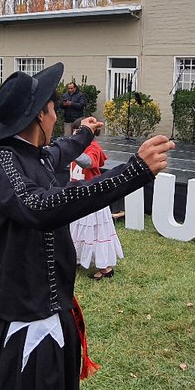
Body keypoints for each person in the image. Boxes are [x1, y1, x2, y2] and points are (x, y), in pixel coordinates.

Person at [0, 61, 174, 390]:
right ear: (38, 115)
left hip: (48, 313)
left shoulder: (33, 154)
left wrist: (84, 133)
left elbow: (58, 153)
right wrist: (133, 172)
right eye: (52, 107)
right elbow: (40, 206)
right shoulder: (1, 165)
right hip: (22, 324)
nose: (56, 114)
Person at [67, 119, 123, 280]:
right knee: (78, 230)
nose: (75, 134)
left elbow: (88, 162)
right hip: (78, 196)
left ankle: (106, 268)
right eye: (75, 131)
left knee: (97, 233)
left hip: (93, 198)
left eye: (78, 131)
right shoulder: (77, 147)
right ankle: (78, 258)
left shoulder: (93, 148)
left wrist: (71, 149)